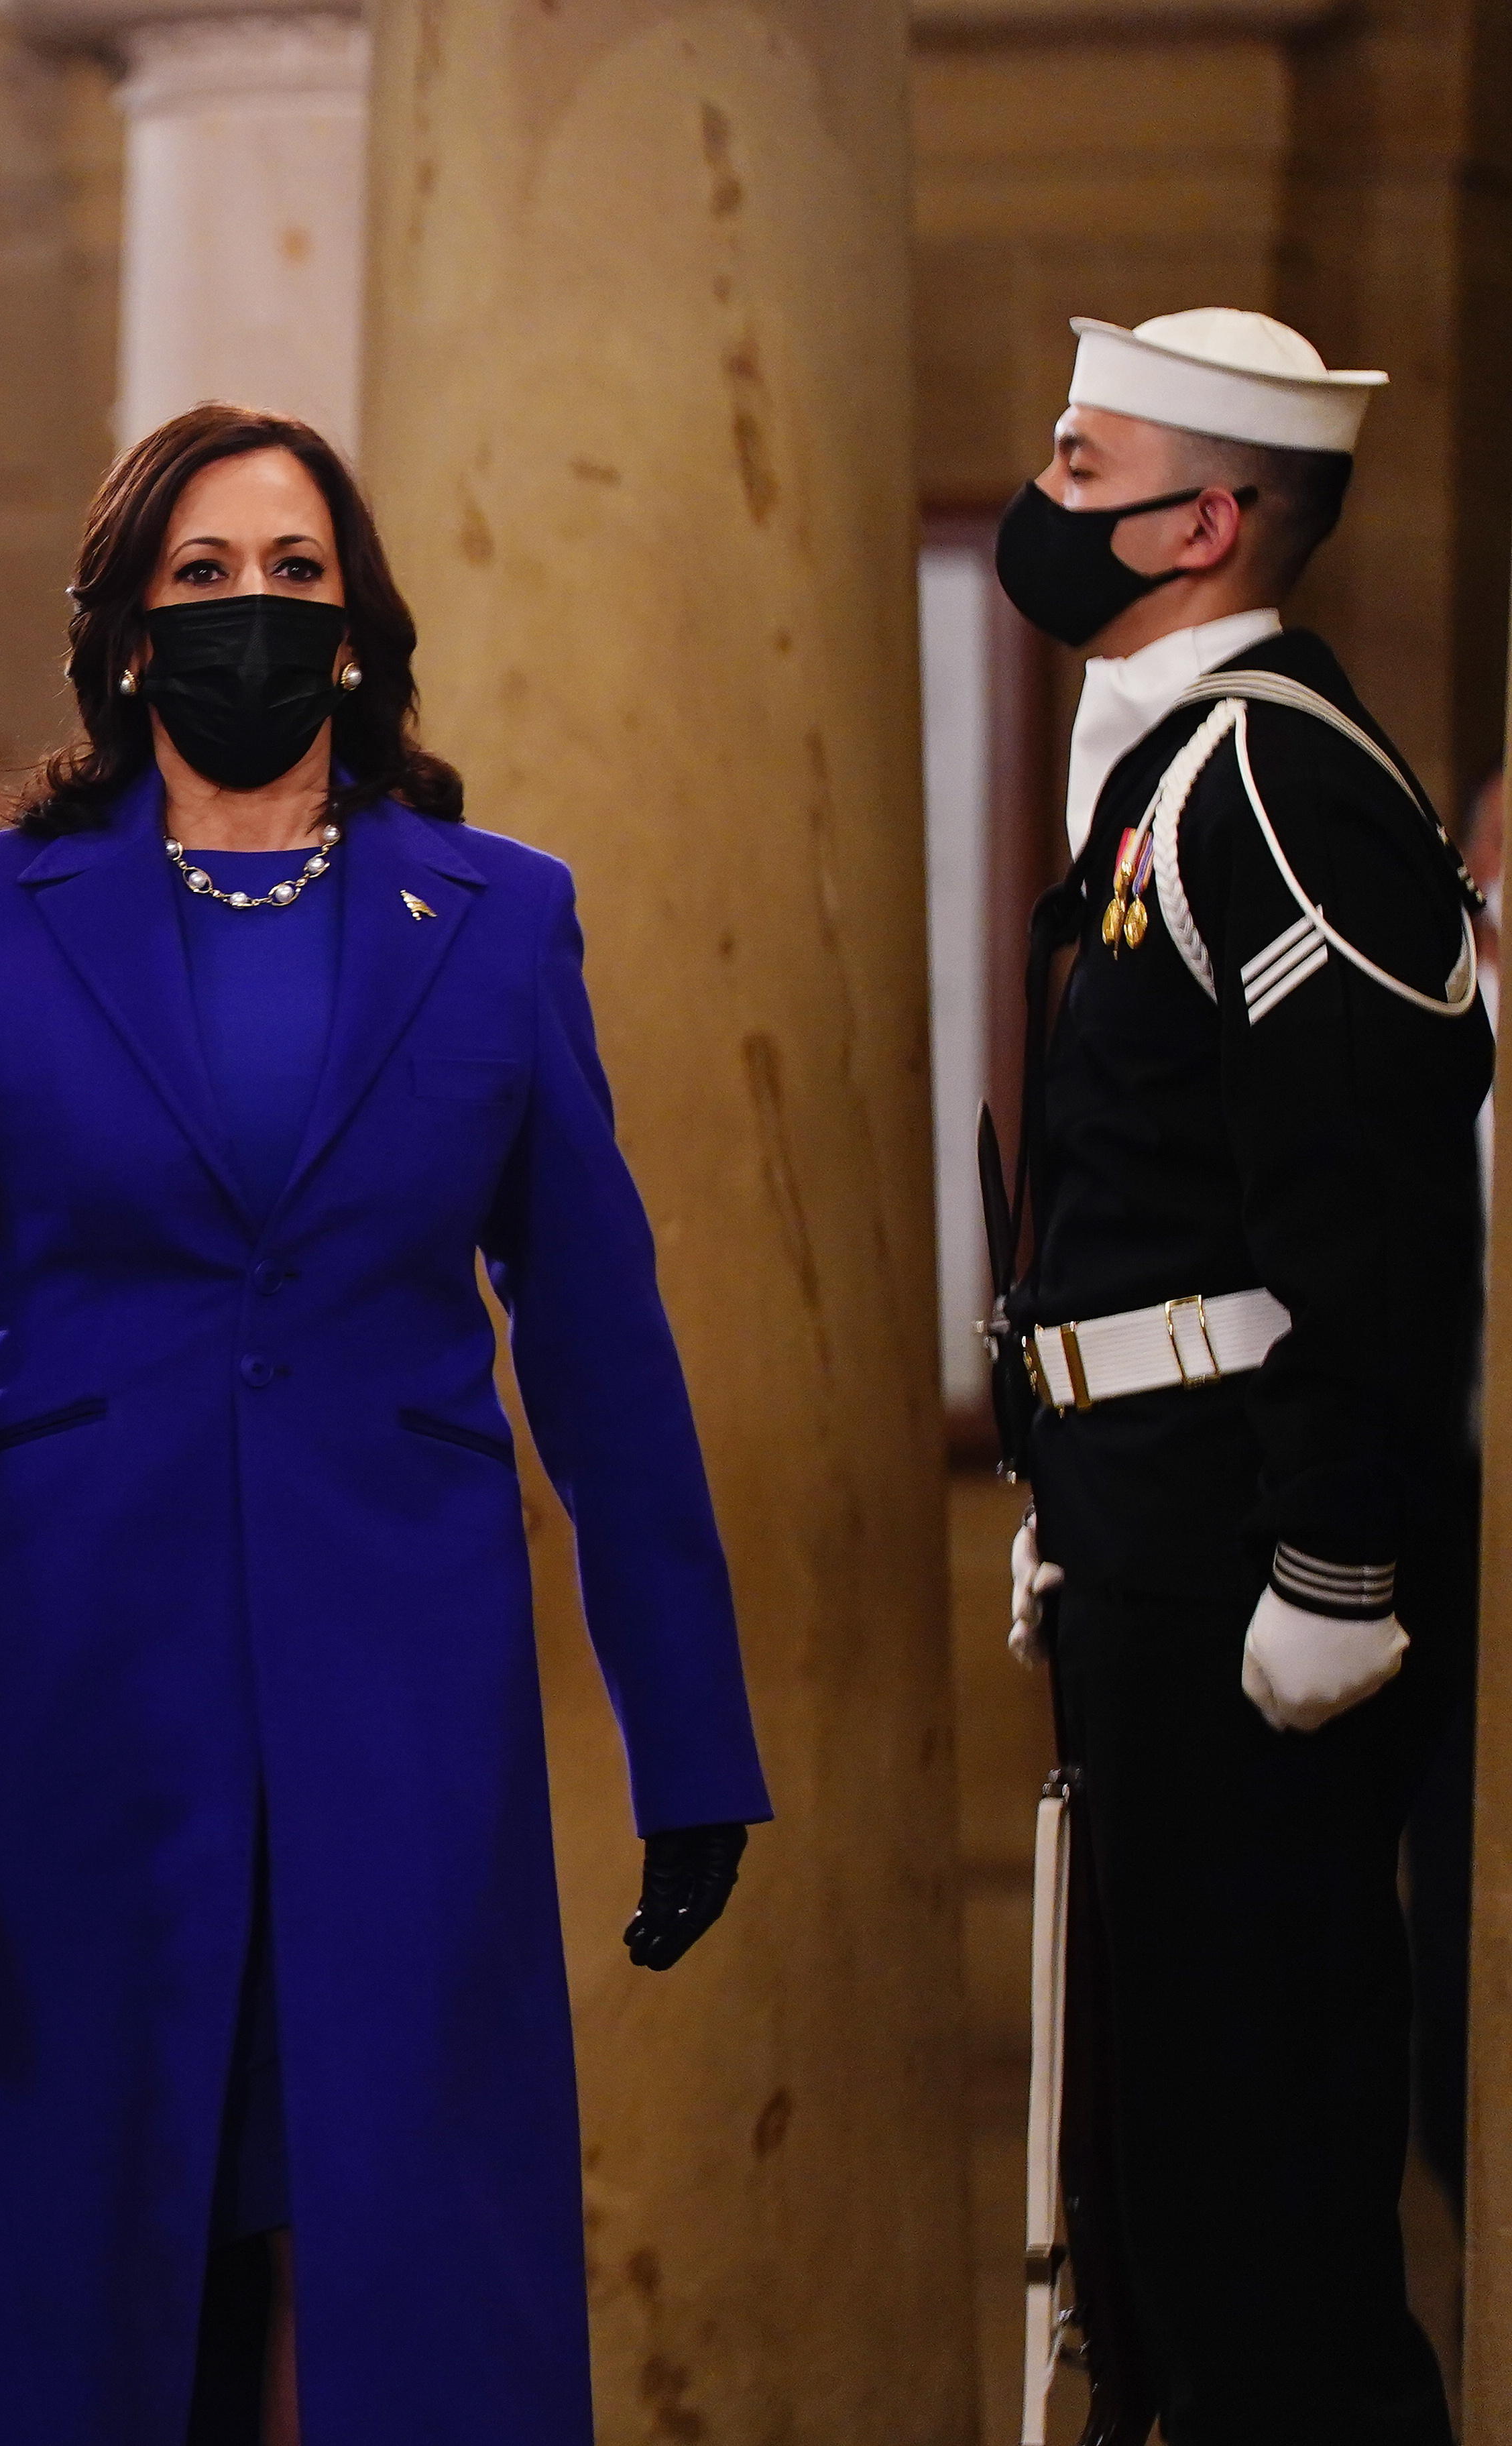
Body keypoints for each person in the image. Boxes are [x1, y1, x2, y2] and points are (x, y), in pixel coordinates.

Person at [0, 402, 772, 2446]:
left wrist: (689, 1736)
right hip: (59, 1668)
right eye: (201, 578)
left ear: (355, 627)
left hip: (394, 1673)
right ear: (129, 636)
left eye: (292, 574)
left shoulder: (495, 917)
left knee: (392, 2208)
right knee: (55, 2224)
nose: (250, 612)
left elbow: (594, 1336)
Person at [991, 308, 1487, 2446]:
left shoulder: (1274, 777)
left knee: (1257, 2187)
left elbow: (1366, 1208)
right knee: (1156, 2181)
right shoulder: (1167, 768)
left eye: (1081, 467)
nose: (1044, 500)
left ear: (1201, 519)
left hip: (1243, 1558)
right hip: (1153, 1529)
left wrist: (1334, 1559)